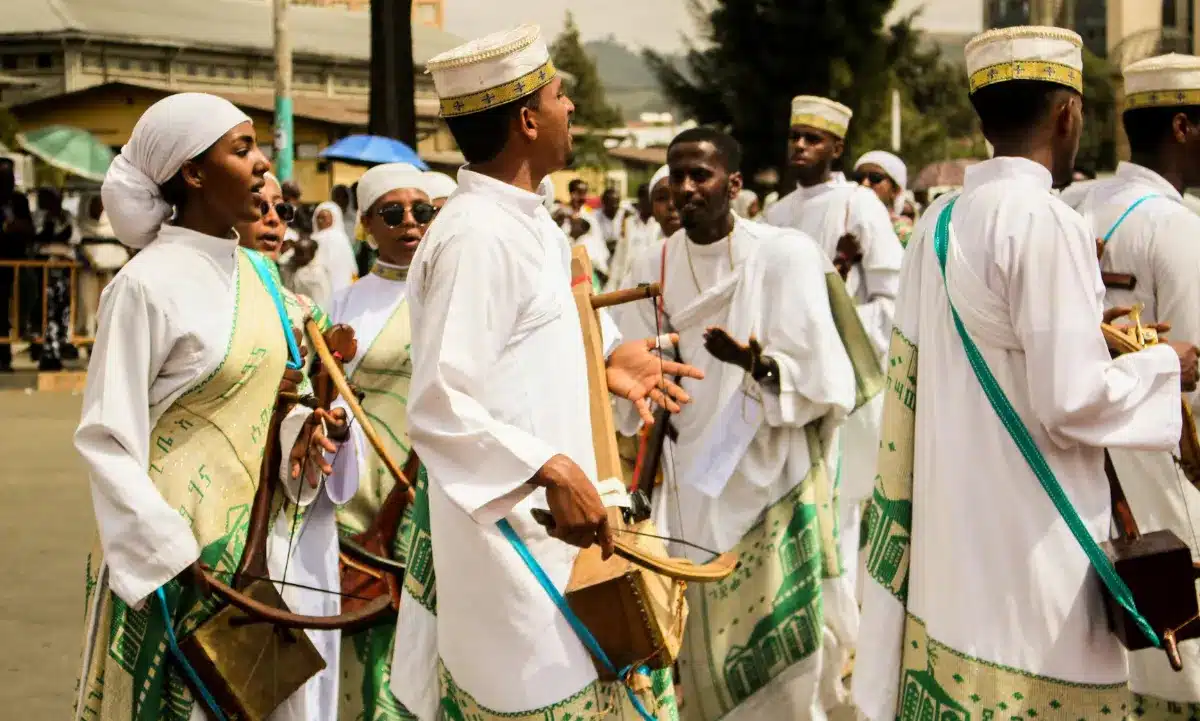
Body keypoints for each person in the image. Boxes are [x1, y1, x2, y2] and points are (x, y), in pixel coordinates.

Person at [853, 27, 1200, 721]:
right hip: (1032, 547)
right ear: (1068, 113)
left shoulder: (939, 220)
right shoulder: (1043, 222)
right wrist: (1168, 364)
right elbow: (1071, 400)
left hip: (956, 535)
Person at [393, 24, 703, 721]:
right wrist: (551, 468)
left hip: (568, 548)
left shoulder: (531, 223)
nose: (572, 108)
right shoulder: (474, 234)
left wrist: (608, 360)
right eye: (561, 95)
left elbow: (529, 350)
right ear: (528, 120)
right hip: (517, 555)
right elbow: (439, 404)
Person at [72, 92, 353, 721]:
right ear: (193, 173)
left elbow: (265, 402)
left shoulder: (261, 275)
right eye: (242, 149)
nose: (262, 164)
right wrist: (171, 552)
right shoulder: (144, 285)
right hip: (174, 557)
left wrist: (302, 434)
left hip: (251, 549)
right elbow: (106, 437)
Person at [615, 127, 873, 721]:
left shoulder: (781, 256)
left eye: (699, 175)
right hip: (691, 471)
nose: (685, 188)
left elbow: (824, 376)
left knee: (782, 616)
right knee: (706, 623)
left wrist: (755, 363)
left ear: (733, 185)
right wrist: (651, 399)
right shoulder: (652, 263)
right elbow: (636, 368)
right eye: (676, 175)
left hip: (771, 461)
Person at [1068, 53, 1200, 718]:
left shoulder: (1072, 204)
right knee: (1182, 657)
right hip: (1167, 473)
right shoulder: (1177, 227)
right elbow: (1195, 376)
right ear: (1182, 126)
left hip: (1082, 468)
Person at [764, 94, 904, 705]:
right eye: (795, 136)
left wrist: (827, 325)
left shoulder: (860, 206)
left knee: (840, 516)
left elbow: (891, 303)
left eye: (813, 139)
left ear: (837, 149)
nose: (800, 147)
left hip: (846, 385)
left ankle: (842, 653)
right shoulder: (776, 212)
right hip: (787, 389)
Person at [328, 163, 435, 721]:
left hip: (434, 488)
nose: (410, 222)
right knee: (367, 616)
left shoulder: (452, 292)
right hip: (360, 491)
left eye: (422, 211)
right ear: (366, 225)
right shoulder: (343, 304)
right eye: (393, 213)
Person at [31, 186, 79, 369]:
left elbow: (75, 237)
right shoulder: (39, 217)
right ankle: (48, 353)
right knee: (47, 312)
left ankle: (59, 349)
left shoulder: (67, 216)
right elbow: (39, 238)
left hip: (64, 270)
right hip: (45, 271)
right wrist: (54, 231)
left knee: (62, 311)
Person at [75, 193, 129, 338]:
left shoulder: (113, 227)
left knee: (108, 305)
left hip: (110, 273)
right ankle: (88, 335)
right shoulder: (81, 226)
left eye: (101, 205)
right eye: (94, 205)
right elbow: (78, 246)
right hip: (87, 272)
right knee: (88, 305)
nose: (98, 209)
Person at [0, 158, 35, 372]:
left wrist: (14, 226)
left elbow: (30, 228)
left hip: (16, 262)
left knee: (16, 309)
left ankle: (6, 355)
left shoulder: (19, 200)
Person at [606, 181, 662, 292]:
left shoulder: (660, 225)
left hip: (654, 283)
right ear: (640, 199)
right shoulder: (628, 224)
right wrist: (612, 286)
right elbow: (619, 257)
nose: (650, 203)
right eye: (647, 199)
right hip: (631, 282)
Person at [854, 150, 914, 248]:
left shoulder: (903, 234)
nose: (864, 184)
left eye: (875, 177)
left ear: (895, 190)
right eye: (859, 177)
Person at [312, 197, 358, 294]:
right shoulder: (314, 238)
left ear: (334, 218)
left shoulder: (338, 238)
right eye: (318, 218)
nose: (320, 221)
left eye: (324, 218)